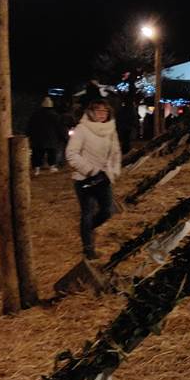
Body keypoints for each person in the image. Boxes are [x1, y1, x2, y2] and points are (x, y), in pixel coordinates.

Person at [66, 98, 122, 260]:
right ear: (91, 112)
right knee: (88, 212)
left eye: (104, 111)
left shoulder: (111, 129)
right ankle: (88, 247)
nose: (101, 114)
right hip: (84, 178)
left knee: (107, 211)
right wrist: (90, 170)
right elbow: (71, 154)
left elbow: (116, 153)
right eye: (98, 111)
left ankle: (87, 230)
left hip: (104, 178)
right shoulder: (82, 129)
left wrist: (113, 171)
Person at [27, 97, 66, 173]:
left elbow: (30, 126)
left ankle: (37, 169)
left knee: (37, 154)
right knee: (52, 153)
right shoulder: (55, 116)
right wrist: (64, 137)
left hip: (38, 139)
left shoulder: (35, 115)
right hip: (51, 139)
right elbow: (60, 127)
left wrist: (29, 135)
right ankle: (52, 167)